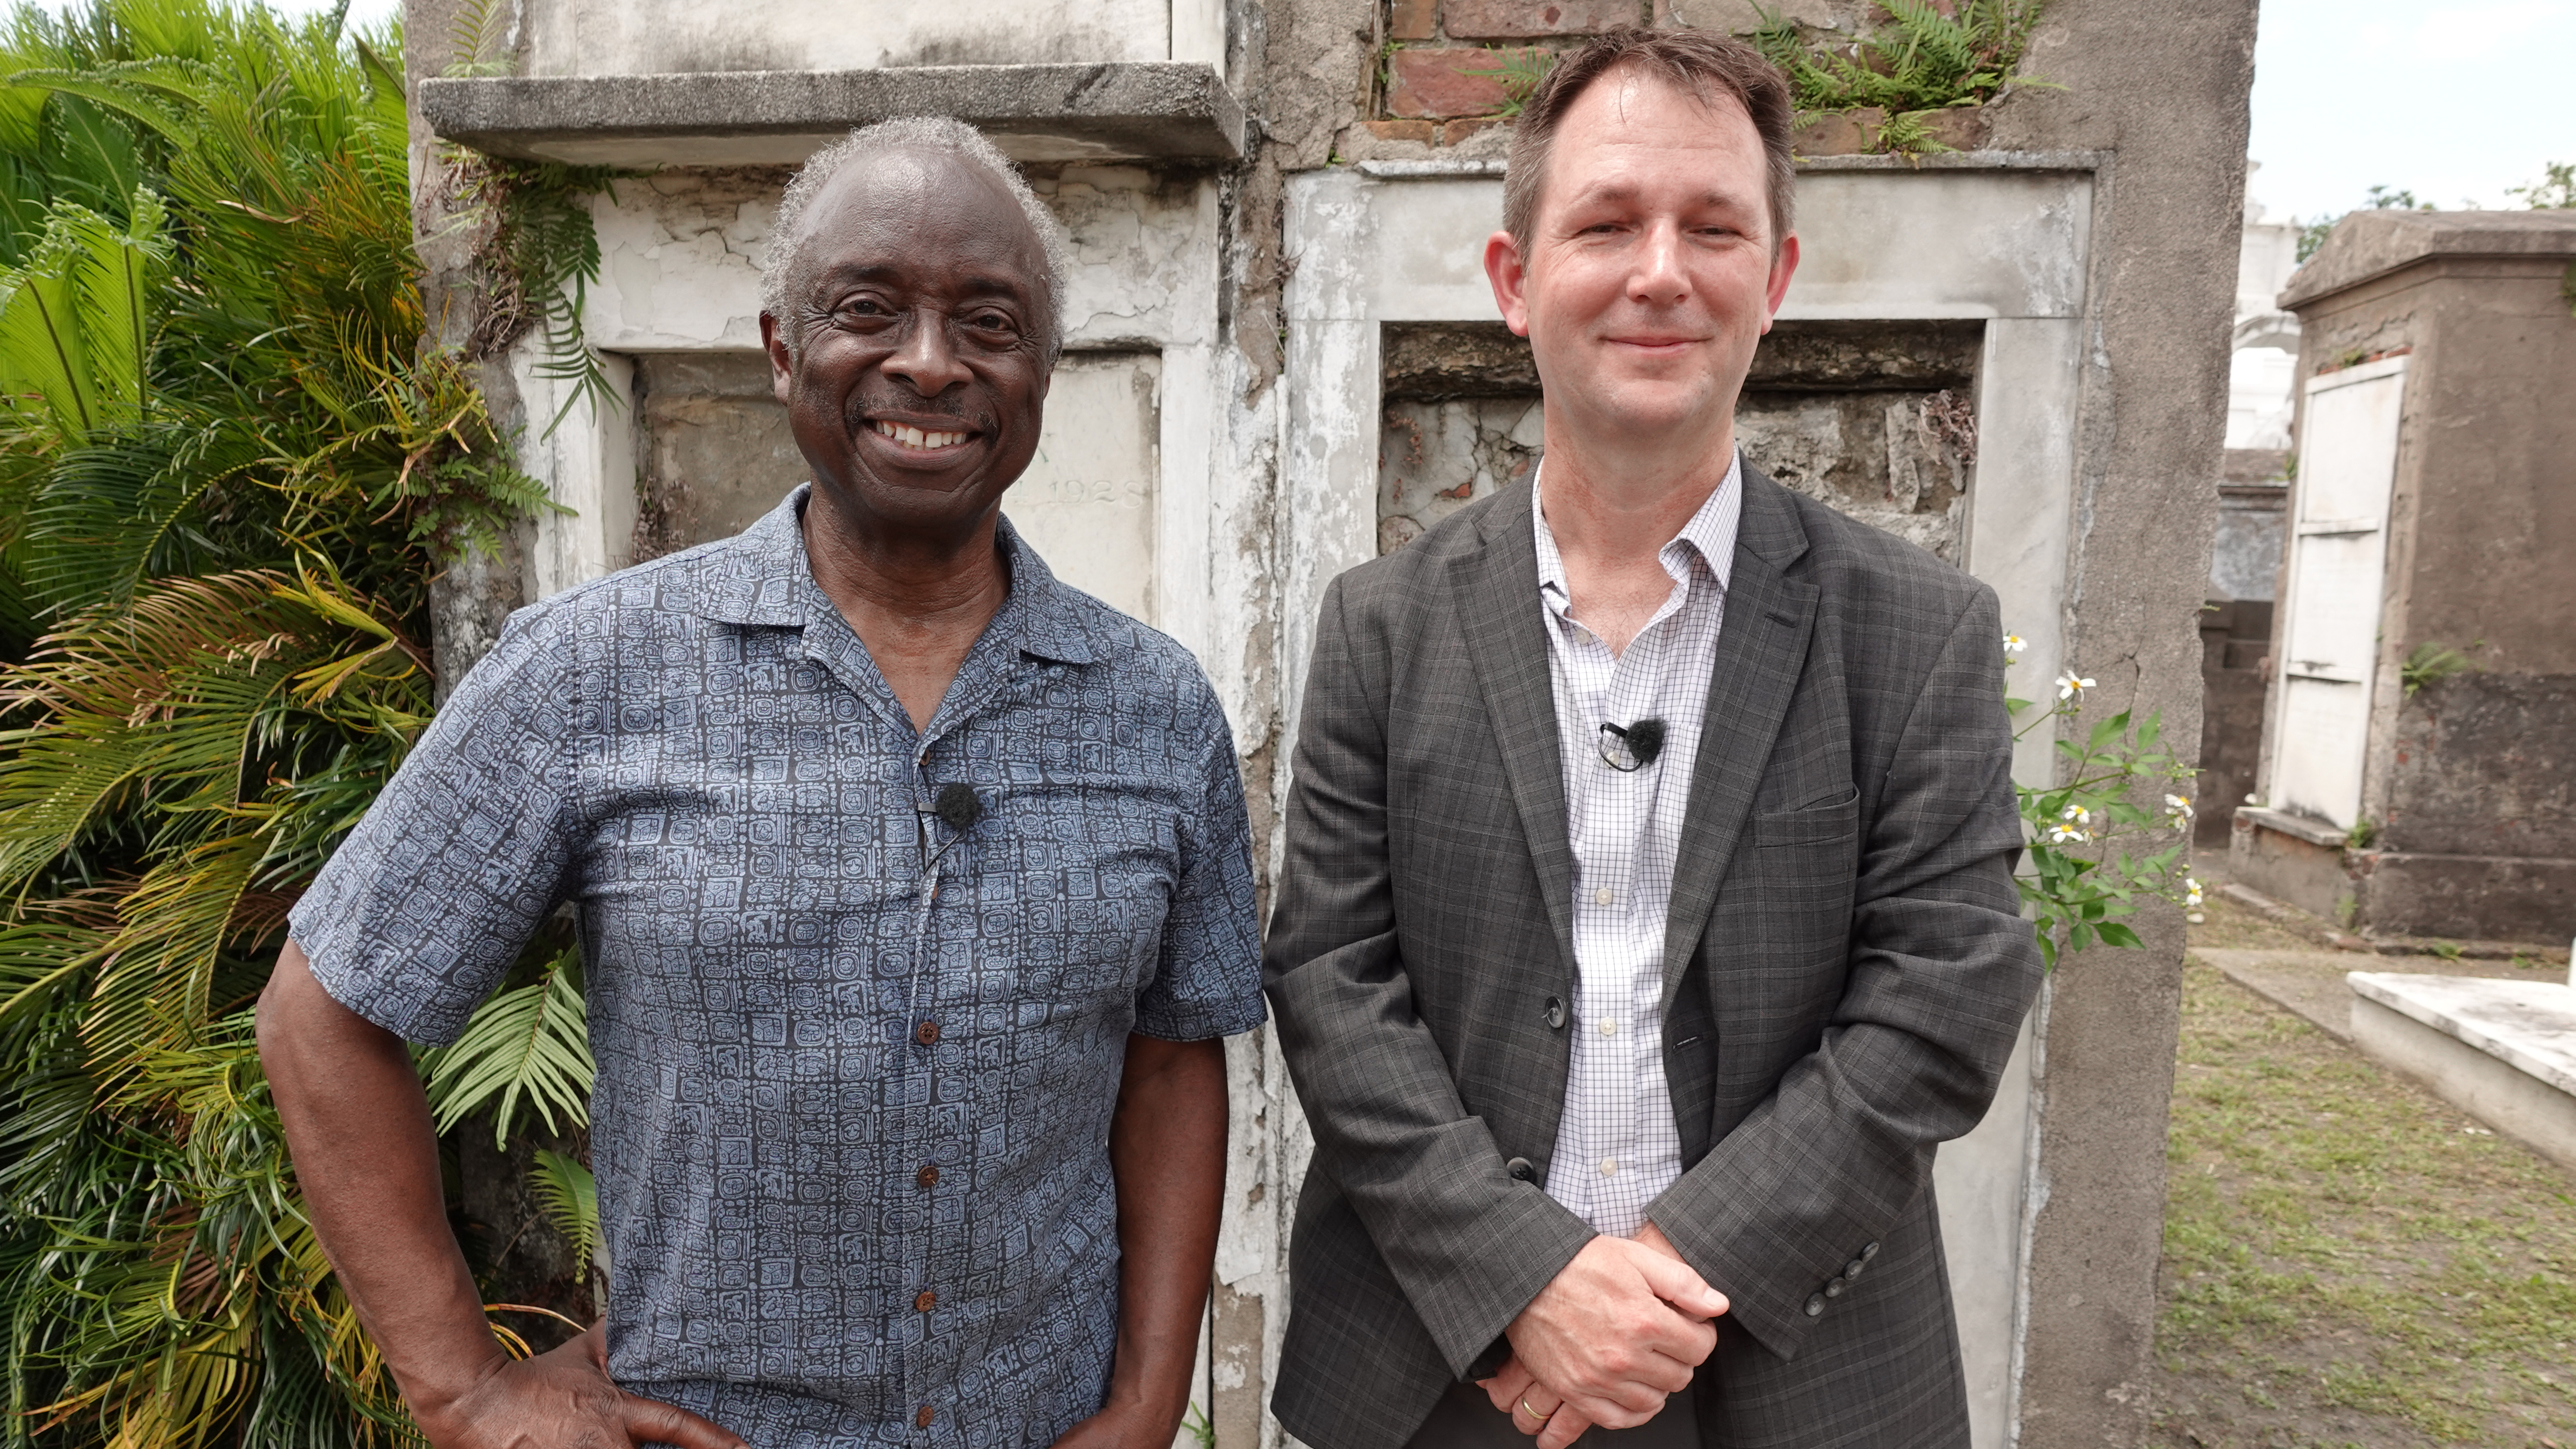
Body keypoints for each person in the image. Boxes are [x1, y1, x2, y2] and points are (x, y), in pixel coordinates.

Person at [257, 116, 1265, 1449]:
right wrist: (466, 1391)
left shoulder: (1153, 708)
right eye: (868, 311)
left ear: (1041, 369)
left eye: (988, 321)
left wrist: (1144, 1404)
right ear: (784, 347)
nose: (927, 362)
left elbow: (1173, 1057)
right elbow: (322, 1013)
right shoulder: (590, 672)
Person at [1263, 28, 2045, 1449]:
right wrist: (1529, 1281)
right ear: (1515, 282)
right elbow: (1330, 978)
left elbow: (1946, 990)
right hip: (1450, 1371)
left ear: (1778, 279)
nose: (1661, 272)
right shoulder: (1383, 625)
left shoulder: (1915, 631)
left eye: (1714, 228)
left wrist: (1665, 1282)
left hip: (1796, 1371)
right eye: (1607, 224)